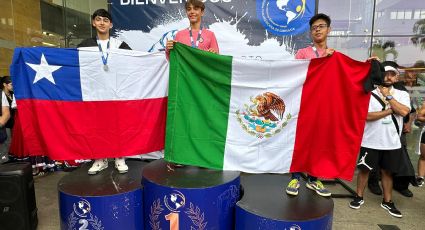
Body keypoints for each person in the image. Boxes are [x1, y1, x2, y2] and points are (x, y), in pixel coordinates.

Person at [349, 61, 410, 218]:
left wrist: (388, 96)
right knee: (364, 170)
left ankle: (387, 201)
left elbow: (403, 112)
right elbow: (367, 116)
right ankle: (359, 196)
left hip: (392, 142)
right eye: (385, 73)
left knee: (387, 172)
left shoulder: (402, 94)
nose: (388, 77)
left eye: (392, 74)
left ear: (396, 78)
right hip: (370, 140)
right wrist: (390, 111)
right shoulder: (369, 92)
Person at [285, 13, 334, 197]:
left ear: (329, 30)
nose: (318, 30)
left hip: (324, 107)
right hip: (304, 104)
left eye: (321, 26)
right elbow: (294, 75)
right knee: (301, 141)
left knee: (319, 142)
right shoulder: (303, 53)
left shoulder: (335, 55)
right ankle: (295, 177)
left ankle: (314, 179)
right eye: (314, 28)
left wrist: (369, 66)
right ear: (311, 32)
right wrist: (322, 60)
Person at [78, 9, 131, 175]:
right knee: (96, 127)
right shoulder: (84, 46)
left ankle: (119, 157)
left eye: (105, 20)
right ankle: (100, 159)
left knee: (118, 126)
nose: (102, 23)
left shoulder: (120, 45)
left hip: (116, 93)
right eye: (98, 19)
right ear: (93, 22)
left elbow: (135, 64)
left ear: (111, 24)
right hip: (94, 95)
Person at [0, 76, 16, 162]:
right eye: (11, 84)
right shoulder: (2, 95)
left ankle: (9, 158)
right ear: (4, 84)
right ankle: (5, 159)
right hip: (5, 123)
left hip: (13, 122)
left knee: (11, 142)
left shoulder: (13, 94)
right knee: (7, 141)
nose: (13, 86)